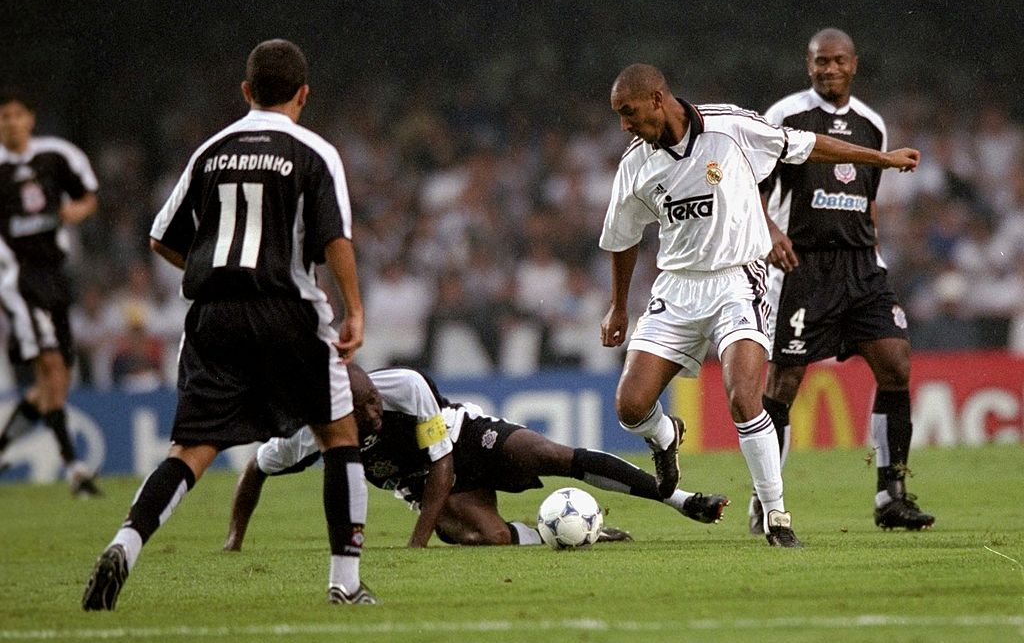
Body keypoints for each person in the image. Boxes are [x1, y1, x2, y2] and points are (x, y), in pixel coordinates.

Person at [82, 39, 375, 610]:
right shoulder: (314, 151)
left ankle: (126, 542)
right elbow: (335, 236)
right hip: (287, 309)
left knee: (190, 450)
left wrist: (212, 266)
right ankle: (344, 581)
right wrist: (355, 309)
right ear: (303, 94)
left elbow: (161, 237)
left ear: (246, 92)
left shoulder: (210, 151)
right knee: (339, 436)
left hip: (213, 317)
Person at [599, 63, 920, 548]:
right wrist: (618, 307)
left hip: (738, 280)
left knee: (744, 398)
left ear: (658, 99)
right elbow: (622, 239)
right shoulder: (636, 164)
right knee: (630, 406)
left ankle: (776, 515)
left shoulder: (730, 126)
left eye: (628, 112)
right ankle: (666, 438)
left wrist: (882, 159)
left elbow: (808, 146)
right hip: (677, 286)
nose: (624, 124)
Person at [223, 364, 730, 551]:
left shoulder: (405, 386)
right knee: (481, 535)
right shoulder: (309, 437)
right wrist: (234, 539)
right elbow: (254, 470)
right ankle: (571, 534)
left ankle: (681, 499)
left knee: (548, 453)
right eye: (364, 409)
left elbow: (444, 462)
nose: (376, 412)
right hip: (425, 487)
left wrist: (417, 543)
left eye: (375, 401)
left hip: (462, 440)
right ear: (339, 411)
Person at [753, 29, 935, 534]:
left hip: (860, 264)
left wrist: (873, 253)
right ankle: (767, 499)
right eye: (819, 62)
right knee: (785, 382)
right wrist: (769, 231)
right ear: (806, 65)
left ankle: (890, 495)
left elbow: (867, 199)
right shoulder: (785, 116)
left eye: (837, 61)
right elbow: (752, 187)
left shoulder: (871, 124)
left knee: (896, 363)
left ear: (854, 64)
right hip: (801, 266)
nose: (828, 70)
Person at [0, 90, 100, 496]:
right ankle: (75, 467)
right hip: (17, 278)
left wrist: (76, 210)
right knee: (52, 366)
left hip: (55, 276)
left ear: (30, 119)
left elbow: (87, 197)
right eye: (3, 116)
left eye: (16, 115)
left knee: (52, 384)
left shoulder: (56, 155)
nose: (9, 122)